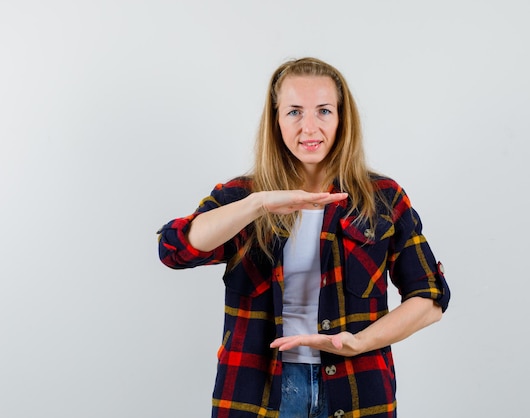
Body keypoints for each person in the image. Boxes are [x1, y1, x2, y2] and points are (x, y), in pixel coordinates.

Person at [157, 57, 450, 418]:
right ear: (276, 119)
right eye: (294, 112)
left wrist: (357, 343)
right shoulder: (241, 198)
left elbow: (430, 298)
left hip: (357, 388)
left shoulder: (383, 198)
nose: (309, 127)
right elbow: (174, 249)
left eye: (324, 111)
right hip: (258, 393)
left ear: (342, 118)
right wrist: (259, 204)